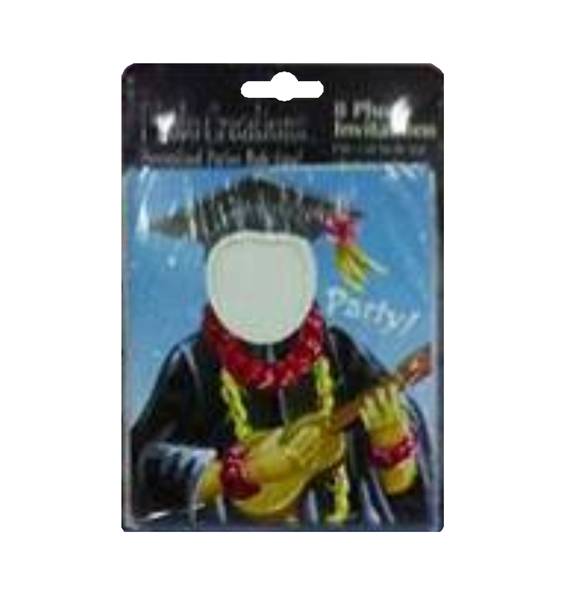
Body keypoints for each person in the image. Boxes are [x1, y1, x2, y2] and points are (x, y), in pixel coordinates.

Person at [129, 178, 434, 529]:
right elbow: (143, 469)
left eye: (278, 270)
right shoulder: (194, 363)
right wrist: (244, 472)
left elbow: (408, 496)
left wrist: (392, 444)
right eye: (244, 272)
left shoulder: (340, 352)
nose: (262, 287)